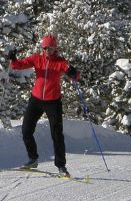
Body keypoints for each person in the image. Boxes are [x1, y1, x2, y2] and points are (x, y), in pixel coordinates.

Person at [8, 35, 80, 177]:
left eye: (51, 48)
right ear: (43, 48)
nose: (48, 50)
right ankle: (33, 159)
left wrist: (73, 73)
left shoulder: (60, 62)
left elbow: (75, 75)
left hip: (53, 102)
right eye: (46, 48)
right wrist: (13, 59)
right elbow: (18, 65)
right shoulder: (37, 58)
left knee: (57, 134)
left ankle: (61, 166)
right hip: (36, 100)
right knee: (26, 130)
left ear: (55, 49)